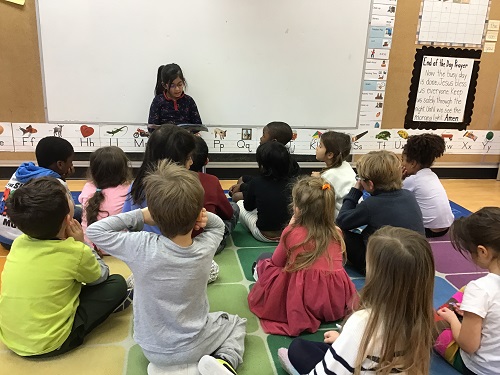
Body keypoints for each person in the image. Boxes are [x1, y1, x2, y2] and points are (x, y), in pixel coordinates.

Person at [87, 161, 246, 375]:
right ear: (198, 212)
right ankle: (224, 360)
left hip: (151, 349)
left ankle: (172, 369)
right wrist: (204, 216)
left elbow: (96, 231)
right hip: (196, 343)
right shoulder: (205, 247)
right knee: (236, 322)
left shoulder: (140, 246)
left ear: (154, 213)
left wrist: (142, 215)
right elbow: (218, 225)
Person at [279, 226, 435, 375]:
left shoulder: (363, 322)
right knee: (317, 348)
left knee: (297, 348)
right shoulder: (422, 316)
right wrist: (344, 342)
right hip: (374, 363)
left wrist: (348, 342)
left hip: (358, 360)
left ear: (378, 277)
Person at [0, 177, 127, 357]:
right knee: (117, 284)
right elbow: (101, 276)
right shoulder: (74, 251)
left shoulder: (19, 243)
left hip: (11, 338)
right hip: (53, 343)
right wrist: (81, 244)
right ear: (68, 219)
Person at [248, 176, 357, 336]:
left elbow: (276, 263)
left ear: (297, 208)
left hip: (301, 298)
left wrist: (291, 227)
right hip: (333, 302)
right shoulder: (337, 232)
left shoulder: (291, 232)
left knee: (264, 261)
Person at [122, 124, 219, 282]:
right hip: (176, 256)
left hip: (145, 257)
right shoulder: (185, 189)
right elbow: (193, 231)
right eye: (188, 157)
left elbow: (125, 223)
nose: (191, 161)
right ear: (175, 161)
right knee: (212, 269)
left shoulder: (137, 185)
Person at [336, 150, 424, 274]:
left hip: (382, 268)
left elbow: (342, 221)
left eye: (360, 178)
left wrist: (355, 192)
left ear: (370, 184)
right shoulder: (409, 195)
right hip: (416, 264)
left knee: (339, 232)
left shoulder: (371, 204)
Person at [436, 207, 500, 374]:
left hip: (482, 369)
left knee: (436, 325)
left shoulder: (480, 288)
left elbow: (469, 345)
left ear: (482, 251)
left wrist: (452, 319)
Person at [0, 136, 77, 250]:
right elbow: (69, 213)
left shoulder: (20, 173)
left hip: (4, 237)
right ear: (60, 164)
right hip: (26, 241)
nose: (71, 165)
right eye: (70, 162)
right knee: (75, 217)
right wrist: (63, 180)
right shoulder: (56, 182)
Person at [233, 141, 294, 242]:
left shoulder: (256, 182)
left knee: (239, 204)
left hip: (264, 235)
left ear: (262, 165)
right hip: (288, 234)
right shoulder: (294, 182)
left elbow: (248, 207)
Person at [190, 136, 239, 254]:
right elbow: (228, 213)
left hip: (172, 245)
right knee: (234, 207)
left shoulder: (166, 181)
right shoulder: (211, 180)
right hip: (207, 246)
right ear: (206, 161)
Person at [78, 146, 132, 252]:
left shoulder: (88, 187)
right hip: (117, 250)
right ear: (124, 170)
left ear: (93, 171)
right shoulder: (128, 191)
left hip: (90, 247)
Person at [402, 133, 454, 237]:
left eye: (402, 160)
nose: (401, 164)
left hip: (428, 230)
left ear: (413, 163)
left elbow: (391, 193)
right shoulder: (432, 175)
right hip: (446, 226)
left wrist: (400, 179)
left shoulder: (413, 179)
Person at [229, 121, 300, 197]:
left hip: (274, 193)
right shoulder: (274, 156)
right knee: (242, 179)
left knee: (236, 196)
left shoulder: (276, 161)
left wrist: (243, 187)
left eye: (263, 135)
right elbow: (262, 181)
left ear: (274, 141)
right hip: (267, 186)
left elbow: (267, 186)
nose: (261, 138)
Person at [311, 131, 356, 218]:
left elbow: (325, 203)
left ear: (330, 155)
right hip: (352, 212)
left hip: (341, 218)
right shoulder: (345, 165)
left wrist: (320, 180)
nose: (316, 148)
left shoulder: (329, 176)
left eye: (320, 146)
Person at [148, 63, 202, 132]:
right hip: (165, 140)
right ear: (165, 85)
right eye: (172, 85)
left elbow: (198, 125)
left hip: (185, 139)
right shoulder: (158, 101)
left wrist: (189, 132)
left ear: (183, 82)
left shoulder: (189, 101)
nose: (177, 89)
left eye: (180, 84)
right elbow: (151, 127)